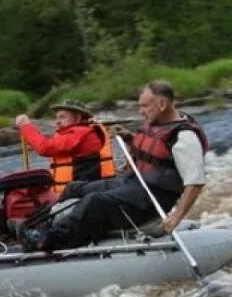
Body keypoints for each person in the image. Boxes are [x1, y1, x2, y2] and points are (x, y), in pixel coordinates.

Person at [32, 80, 208, 251]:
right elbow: (154, 156)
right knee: (74, 188)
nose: (141, 111)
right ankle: (40, 225)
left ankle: (49, 240)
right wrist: (129, 138)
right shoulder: (158, 123)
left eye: (145, 106)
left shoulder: (185, 137)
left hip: (150, 199)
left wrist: (175, 218)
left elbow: (196, 182)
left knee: (96, 202)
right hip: (133, 182)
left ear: (162, 104)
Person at [14, 100, 114, 194]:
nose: (57, 121)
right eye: (56, 118)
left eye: (62, 117)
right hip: (83, 188)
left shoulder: (79, 132)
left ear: (78, 117)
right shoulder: (83, 131)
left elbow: (44, 148)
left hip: (81, 191)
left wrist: (25, 126)